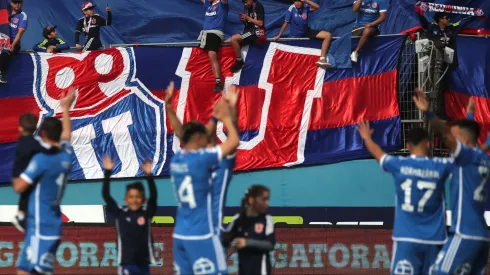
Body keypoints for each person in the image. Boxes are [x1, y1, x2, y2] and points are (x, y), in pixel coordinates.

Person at [357, 123, 453, 274]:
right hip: (434, 239)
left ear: (407, 146)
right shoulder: (440, 166)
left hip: (406, 237)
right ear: (428, 144)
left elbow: (379, 154)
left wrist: (367, 138)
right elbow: (463, 157)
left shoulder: (399, 164)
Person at [413, 88, 490, 275]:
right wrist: (470, 115)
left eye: (454, 138)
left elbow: (447, 135)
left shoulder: (465, 156)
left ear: (461, 140)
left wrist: (429, 112)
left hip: (464, 232)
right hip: (482, 236)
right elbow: (471, 138)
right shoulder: (482, 157)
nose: (450, 141)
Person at [168, 80, 240, 275]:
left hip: (181, 233)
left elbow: (189, 135)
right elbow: (233, 141)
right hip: (207, 233)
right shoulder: (218, 164)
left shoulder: (178, 159)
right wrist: (228, 113)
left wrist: (215, 118)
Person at [13, 88, 76, 275]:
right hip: (42, 224)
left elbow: (19, 187)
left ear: (44, 135)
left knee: (36, 271)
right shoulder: (66, 154)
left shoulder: (42, 160)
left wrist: (18, 166)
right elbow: (67, 136)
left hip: (43, 226)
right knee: (23, 270)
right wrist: (66, 108)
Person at [101, 157, 157, 275]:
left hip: (144, 263)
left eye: (138, 197)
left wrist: (149, 175)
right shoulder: (120, 213)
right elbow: (106, 195)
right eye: (131, 197)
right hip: (126, 263)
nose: (134, 200)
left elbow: (154, 197)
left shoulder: (146, 213)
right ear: (125, 199)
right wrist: (108, 173)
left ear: (143, 199)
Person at [10, 113, 50, 233]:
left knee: (26, 195)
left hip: (18, 174)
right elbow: (45, 150)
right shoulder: (34, 142)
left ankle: (21, 214)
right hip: (27, 174)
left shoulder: (22, 141)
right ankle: (24, 216)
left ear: (20, 128)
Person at [222, 185, 275, 275]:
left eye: (268, 199)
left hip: (261, 271)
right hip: (243, 270)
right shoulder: (237, 220)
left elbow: (270, 244)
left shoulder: (267, 220)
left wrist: (246, 243)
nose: (267, 203)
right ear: (251, 200)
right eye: (264, 199)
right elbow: (224, 241)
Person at [198, 0, 229, 93]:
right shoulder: (208, 4)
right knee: (205, 56)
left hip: (215, 33)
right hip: (205, 34)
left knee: (212, 54)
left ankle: (218, 82)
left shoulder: (222, 4)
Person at [230, 0, 266, 73]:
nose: (245, 4)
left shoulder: (258, 5)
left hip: (255, 31)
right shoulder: (247, 7)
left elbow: (260, 23)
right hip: (248, 30)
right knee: (229, 40)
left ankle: (239, 61)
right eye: (243, 2)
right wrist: (243, 20)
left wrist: (248, 18)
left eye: (246, 2)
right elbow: (248, 22)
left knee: (234, 39)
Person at [0, 0, 27, 84]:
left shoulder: (23, 15)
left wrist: (13, 44)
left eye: (20, 3)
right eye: (15, 2)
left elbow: (21, 31)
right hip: (3, 39)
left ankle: (2, 73)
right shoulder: (5, 13)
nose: (18, 5)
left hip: (14, 42)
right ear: (11, 3)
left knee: (6, 51)